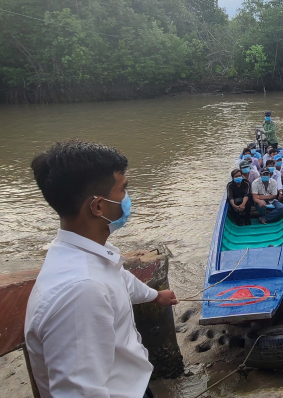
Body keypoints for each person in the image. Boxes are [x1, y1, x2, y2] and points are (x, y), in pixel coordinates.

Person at [24, 140, 178, 397]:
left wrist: (155, 295)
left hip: (133, 382)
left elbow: (121, 280)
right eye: (123, 189)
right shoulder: (80, 291)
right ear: (98, 206)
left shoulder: (85, 254)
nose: (127, 198)